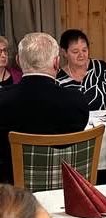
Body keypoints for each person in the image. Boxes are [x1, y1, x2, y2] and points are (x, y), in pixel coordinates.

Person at [0, 33, 89, 184]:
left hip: (12, 195)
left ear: (19, 62)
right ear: (56, 62)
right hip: (67, 189)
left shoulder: (2, 100)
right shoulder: (76, 101)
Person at [56, 29, 106, 110]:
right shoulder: (58, 79)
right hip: (75, 122)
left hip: (105, 121)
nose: (81, 55)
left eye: (84, 50)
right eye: (75, 51)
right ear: (64, 52)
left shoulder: (101, 67)